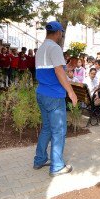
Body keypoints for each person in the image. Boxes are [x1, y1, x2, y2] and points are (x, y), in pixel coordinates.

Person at [33, 21, 77, 177]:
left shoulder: (41, 49)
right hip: (54, 96)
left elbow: (51, 71)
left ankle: (39, 160)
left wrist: (66, 70)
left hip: (42, 93)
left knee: (46, 128)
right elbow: (58, 71)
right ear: (58, 33)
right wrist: (71, 92)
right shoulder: (55, 48)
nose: (61, 36)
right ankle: (57, 166)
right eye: (61, 33)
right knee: (59, 130)